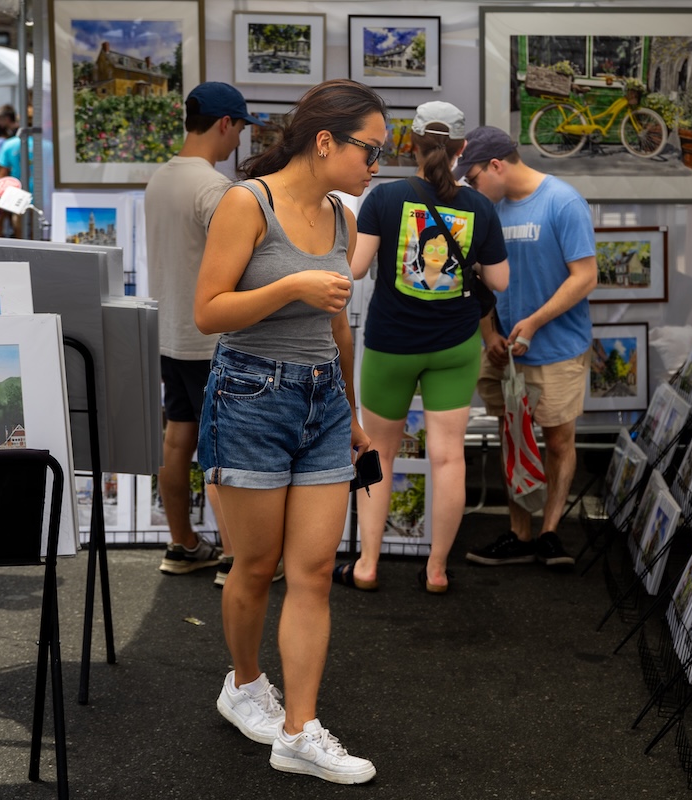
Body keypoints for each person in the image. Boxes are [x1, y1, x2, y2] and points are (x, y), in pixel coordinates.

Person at [193, 78, 381, 785]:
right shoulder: (249, 203)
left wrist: (355, 416)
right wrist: (290, 286)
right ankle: (244, 684)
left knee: (311, 576)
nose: (375, 166)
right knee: (256, 566)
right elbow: (208, 311)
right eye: (369, 149)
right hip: (248, 395)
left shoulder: (344, 214)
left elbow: (338, 326)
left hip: (324, 403)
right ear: (325, 140)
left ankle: (299, 730)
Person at [343, 101, 509, 594]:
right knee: (448, 458)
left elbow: (353, 270)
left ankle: (367, 565)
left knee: (378, 454)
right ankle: (436, 571)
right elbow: (499, 279)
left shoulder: (384, 198)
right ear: (461, 150)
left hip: (391, 343)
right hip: (454, 346)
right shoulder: (480, 206)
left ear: (409, 144)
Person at [454, 126, 597, 570]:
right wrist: (488, 333)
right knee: (512, 438)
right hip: (504, 350)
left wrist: (533, 323)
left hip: (556, 348)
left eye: (473, 176)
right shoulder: (487, 209)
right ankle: (519, 533)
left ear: (497, 165)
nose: (470, 185)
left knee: (558, 440)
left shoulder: (562, 201)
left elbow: (585, 276)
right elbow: (474, 278)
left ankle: (550, 533)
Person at [145, 82, 255, 584]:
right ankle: (233, 558)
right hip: (211, 340)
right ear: (224, 123)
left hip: (169, 333)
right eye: (239, 129)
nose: (238, 143)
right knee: (222, 451)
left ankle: (184, 544)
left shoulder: (159, 180)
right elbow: (240, 261)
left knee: (178, 442)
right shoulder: (213, 189)